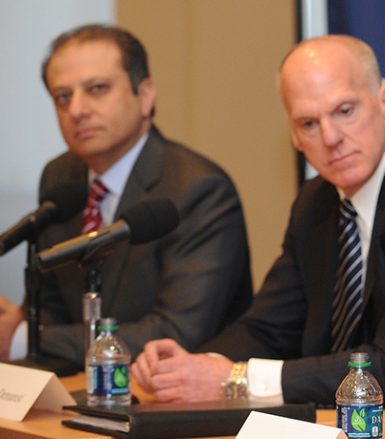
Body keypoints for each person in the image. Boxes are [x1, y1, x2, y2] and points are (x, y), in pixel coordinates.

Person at [130, 35, 385, 416]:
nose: (330, 137)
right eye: (308, 124)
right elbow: (267, 326)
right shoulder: (318, 201)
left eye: (344, 111)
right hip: (372, 430)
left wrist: (233, 380)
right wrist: (190, 369)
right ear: (294, 136)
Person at [0, 24, 251, 364]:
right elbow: (53, 308)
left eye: (97, 89)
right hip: (80, 388)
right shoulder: (60, 177)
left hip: (176, 402)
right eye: (63, 97)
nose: (77, 110)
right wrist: (22, 324)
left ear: (145, 95)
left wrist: (25, 339)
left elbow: (177, 332)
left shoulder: (198, 188)